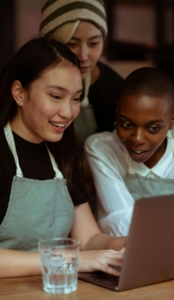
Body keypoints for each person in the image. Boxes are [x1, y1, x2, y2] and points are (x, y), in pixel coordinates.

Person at [0, 36, 126, 278]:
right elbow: (80, 254)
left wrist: (123, 246)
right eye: (56, 96)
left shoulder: (63, 152)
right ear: (19, 93)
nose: (68, 112)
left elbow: (88, 239)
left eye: (76, 98)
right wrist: (70, 259)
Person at [84, 67, 174, 237]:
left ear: (173, 119)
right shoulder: (102, 147)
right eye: (127, 124)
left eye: (153, 128)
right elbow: (126, 227)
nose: (137, 139)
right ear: (118, 110)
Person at [39, 0, 124, 146]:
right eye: (71, 44)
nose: (84, 56)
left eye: (93, 43)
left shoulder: (114, 89)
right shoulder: (26, 77)